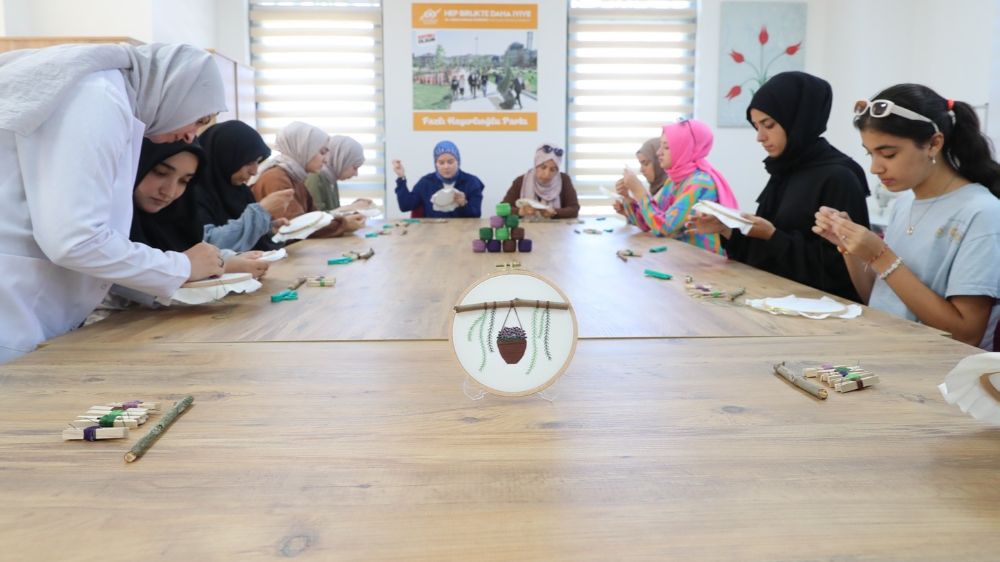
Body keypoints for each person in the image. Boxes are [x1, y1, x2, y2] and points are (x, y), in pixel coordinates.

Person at [0, 42, 228, 363]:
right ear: (177, 91)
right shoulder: (98, 98)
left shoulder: (112, 99)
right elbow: (75, 240)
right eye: (199, 118)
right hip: (12, 317)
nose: (193, 136)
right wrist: (182, 266)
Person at [814, 85, 1000, 349]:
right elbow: (882, 300)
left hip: (942, 373)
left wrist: (880, 255)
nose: (875, 167)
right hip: (889, 354)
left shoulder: (982, 213)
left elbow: (966, 334)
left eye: (889, 154)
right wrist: (849, 247)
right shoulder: (904, 204)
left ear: (934, 143)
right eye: (871, 153)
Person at [688, 71, 871, 301]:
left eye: (769, 125)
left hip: (821, 313)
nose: (760, 137)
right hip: (776, 300)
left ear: (798, 119)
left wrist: (772, 235)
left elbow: (840, 271)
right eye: (756, 126)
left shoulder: (839, 176)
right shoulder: (785, 169)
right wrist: (728, 229)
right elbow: (766, 253)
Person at [130, 139, 268, 280]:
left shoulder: (178, 212)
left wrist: (222, 261)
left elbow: (190, 248)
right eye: (160, 173)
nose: (169, 192)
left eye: (184, 181)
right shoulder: (114, 226)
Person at [617, 120, 737, 254]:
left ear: (684, 149)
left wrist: (639, 192)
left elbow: (663, 228)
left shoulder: (699, 183)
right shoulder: (675, 180)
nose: (658, 153)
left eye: (666, 147)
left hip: (705, 264)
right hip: (681, 258)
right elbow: (649, 223)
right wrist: (628, 198)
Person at [251, 121, 365, 237]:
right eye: (321, 152)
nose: (326, 160)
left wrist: (346, 218)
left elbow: (315, 217)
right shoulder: (276, 178)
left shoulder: (296, 177)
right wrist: (344, 224)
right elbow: (298, 226)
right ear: (304, 149)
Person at [196, 120, 293, 253]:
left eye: (258, 162)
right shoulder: (191, 194)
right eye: (248, 162)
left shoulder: (240, 191)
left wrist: (268, 228)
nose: (254, 171)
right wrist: (261, 212)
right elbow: (209, 245)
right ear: (225, 157)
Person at [393, 141, 484, 218]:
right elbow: (405, 206)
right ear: (436, 164)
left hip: (462, 232)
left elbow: (476, 215)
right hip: (432, 233)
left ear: (458, 161)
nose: (446, 166)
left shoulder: (471, 182)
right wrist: (401, 177)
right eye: (441, 162)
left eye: (450, 162)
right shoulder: (426, 182)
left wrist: (464, 204)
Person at [502, 143, 580, 219]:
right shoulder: (521, 181)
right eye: (543, 167)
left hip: (556, 230)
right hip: (527, 230)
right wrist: (520, 211)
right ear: (536, 165)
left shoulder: (564, 180)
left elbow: (574, 209)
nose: (547, 174)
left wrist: (554, 212)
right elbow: (502, 208)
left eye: (553, 170)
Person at [305, 135, 365, 212]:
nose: (356, 174)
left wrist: (355, 207)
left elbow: (333, 214)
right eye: (355, 167)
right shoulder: (315, 176)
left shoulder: (331, 179)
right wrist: (350, 208)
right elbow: (315, 218)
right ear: (341, 160)